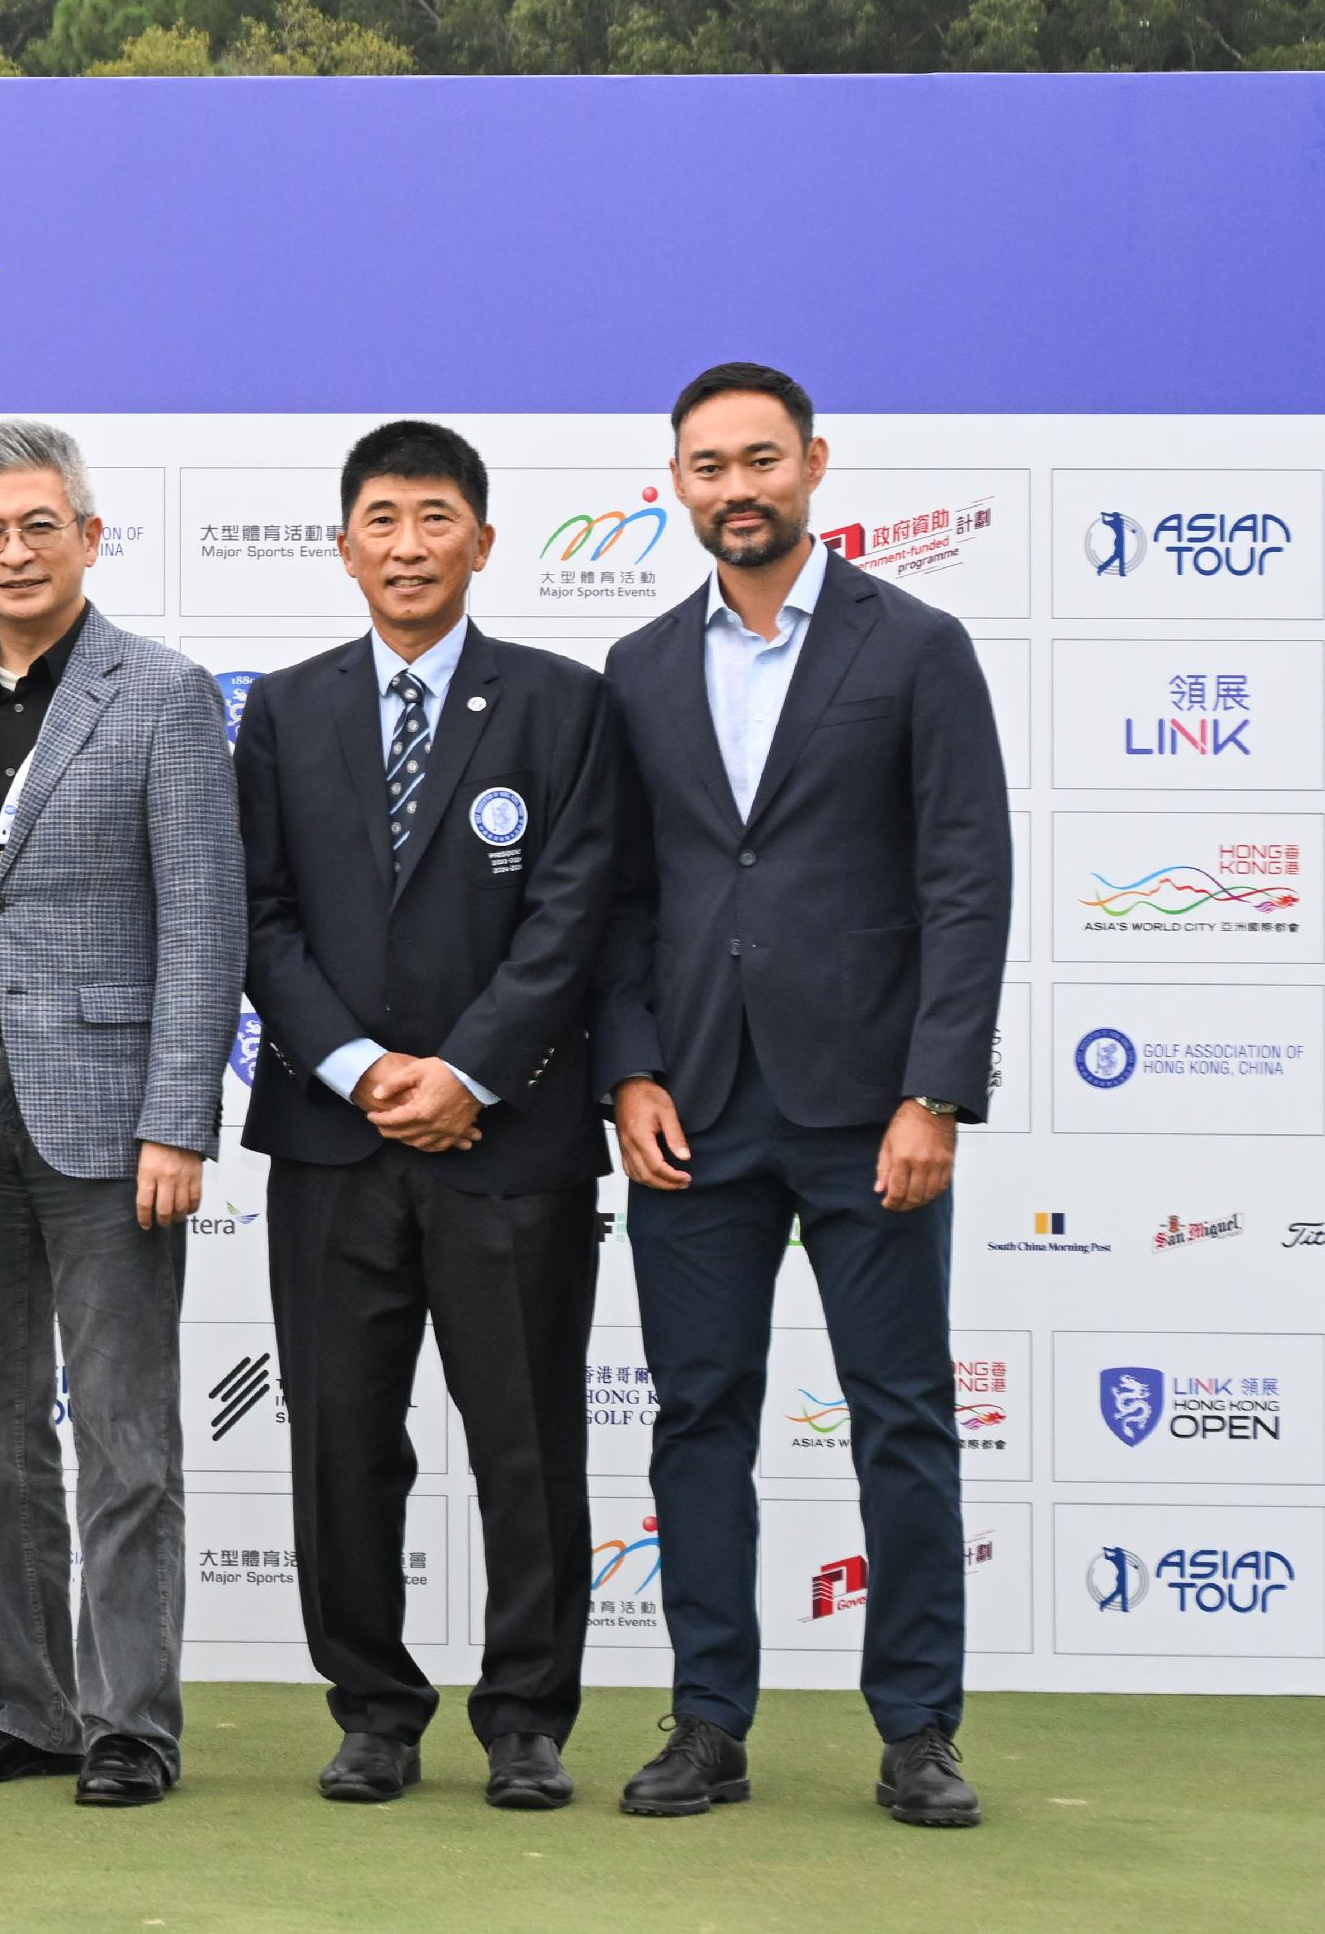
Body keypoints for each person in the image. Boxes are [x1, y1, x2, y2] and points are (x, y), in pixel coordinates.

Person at [599, 364, 1005, 1829]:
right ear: (678, 483)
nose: (736, 487)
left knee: (901, 1417)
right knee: (699, 1416)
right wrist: (627, 1068)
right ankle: (709, 1718)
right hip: (696, 1106)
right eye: (708, 465)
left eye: (760, 458)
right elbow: (622, 896)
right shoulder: (640, 667)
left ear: (815, 464)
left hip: (868, 1104)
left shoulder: (918, 646)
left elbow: (967, 881)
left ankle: (918, 1728)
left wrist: (936, 1092)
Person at [234, 421, 619, 1811]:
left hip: (507, 1140)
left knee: (524, 1435)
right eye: (382, 519)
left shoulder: (562, 703)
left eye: (436, 516)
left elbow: (574, 912)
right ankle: (374, 1708)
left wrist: (463, 1073)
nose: (408, 543)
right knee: (342, 1437)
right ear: (345, 546)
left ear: (484, 540)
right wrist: (357, 1067)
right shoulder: (282, 708)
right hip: (335, 1141)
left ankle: (527, 1715)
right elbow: (258, 916)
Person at [0, 418, 240, 1809]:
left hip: (114, 1122)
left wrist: (180, 1116)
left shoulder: (163, 693)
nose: (14, 550)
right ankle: (26, 1704)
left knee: (123, 1430)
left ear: (90, 537)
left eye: (41, 525)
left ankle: (131, 1722)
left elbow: (204, 918)